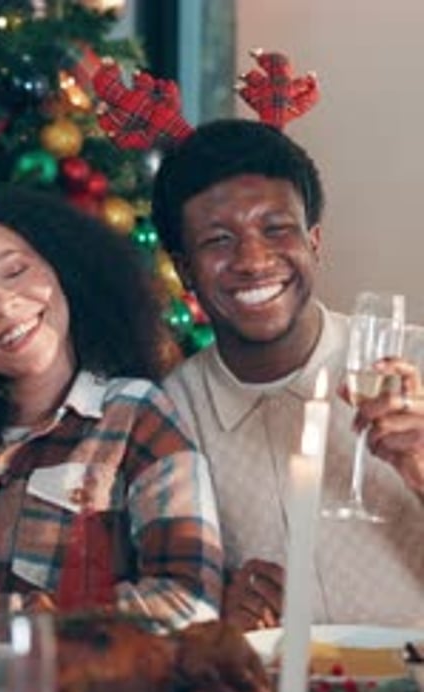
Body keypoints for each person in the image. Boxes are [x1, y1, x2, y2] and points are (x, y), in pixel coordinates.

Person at [151, 118, 424, 629]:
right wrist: (220, 617)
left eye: (276, 229)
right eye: (218, 240)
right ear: (184, 269)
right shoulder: (171, 415)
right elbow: (171, 601)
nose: (253, 260)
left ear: (313, 240)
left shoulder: (413, 365)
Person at [0, 186, 223, 631]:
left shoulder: (133, 414)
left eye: (15, 271)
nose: (2, 306)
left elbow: (187, 604)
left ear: (62, 269)